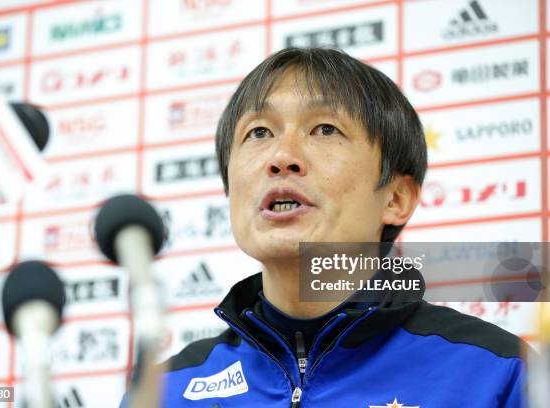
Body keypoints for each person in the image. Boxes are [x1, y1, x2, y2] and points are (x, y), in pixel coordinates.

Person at [121, 47, 528, 407]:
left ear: (396, 198)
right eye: (258, 132)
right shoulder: (164, 393)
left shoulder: (498, 374)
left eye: (325, 129)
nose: (282, 157)